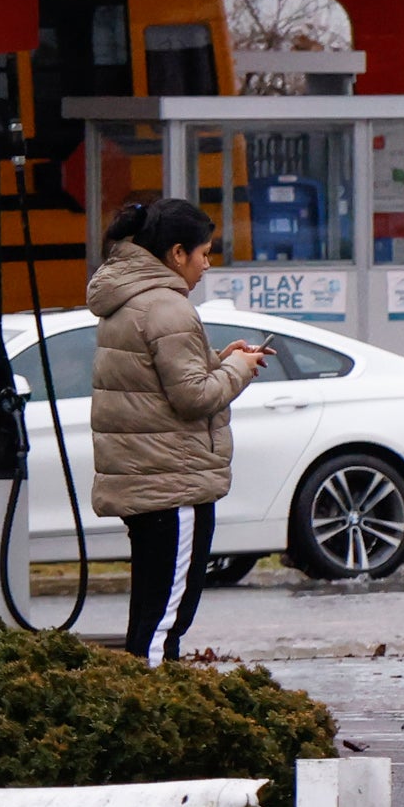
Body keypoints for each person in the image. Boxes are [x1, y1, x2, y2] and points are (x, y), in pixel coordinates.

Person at [83, 196, 269, 663]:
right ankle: (151, 720)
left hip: (147, 481)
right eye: (204, 253)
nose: (207, 265)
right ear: (177, 253)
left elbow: (158, 384)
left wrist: (222, 361)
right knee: (167, 620)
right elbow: (193, 399)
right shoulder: (168, 308)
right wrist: (240, 371)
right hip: (174, 484)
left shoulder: (128, 300)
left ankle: (136, 706)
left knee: (147, 611)